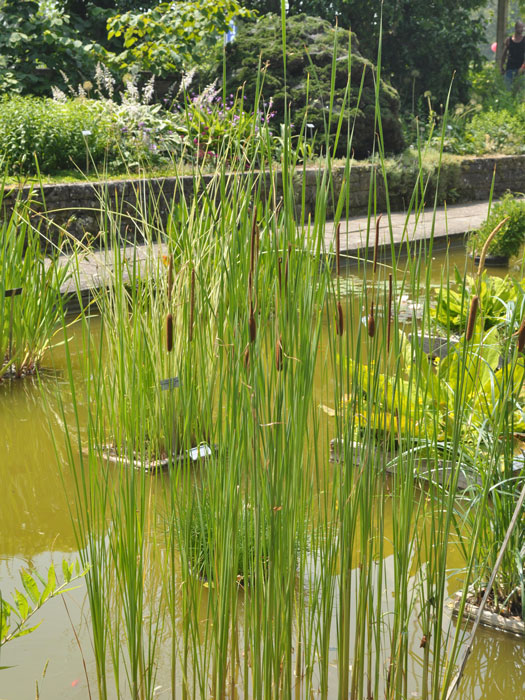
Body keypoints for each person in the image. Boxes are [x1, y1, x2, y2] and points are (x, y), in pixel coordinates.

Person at [500, 20, 525, 88]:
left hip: (521, 69)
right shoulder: (509, 40)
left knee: (519, 89)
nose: (521, 29)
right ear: (516, 28)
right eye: (520, 27)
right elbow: (504, 54)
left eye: (522, 27)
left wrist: (522, 67)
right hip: (510, 67)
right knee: (507, 88)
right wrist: (501, 66)